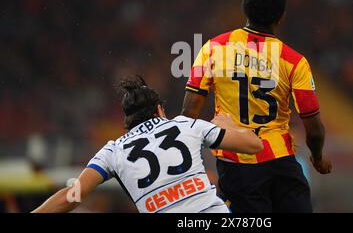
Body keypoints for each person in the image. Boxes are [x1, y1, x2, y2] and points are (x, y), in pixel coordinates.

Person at [181, 0, 332, 213]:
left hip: (237, 165)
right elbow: (313, 128)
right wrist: (317, 157)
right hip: (282, 164)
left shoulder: (213, 48)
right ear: (281, 17)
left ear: (245, 9)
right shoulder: (294, 61)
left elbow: (189, 113)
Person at [32, 76, 263, 213]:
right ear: (160, 110)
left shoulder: (113, 150)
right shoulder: (185, 124)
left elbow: (72, 197)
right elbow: (255, 146)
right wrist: (230, 125)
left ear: (127, 121)